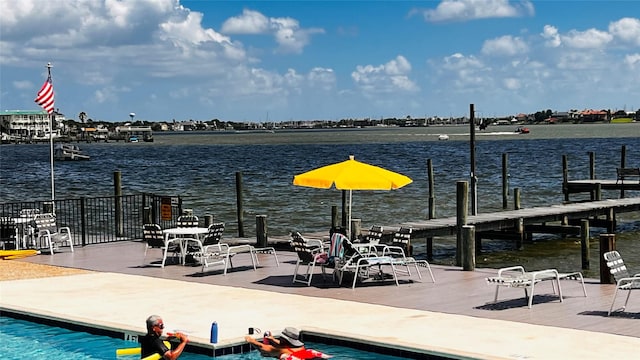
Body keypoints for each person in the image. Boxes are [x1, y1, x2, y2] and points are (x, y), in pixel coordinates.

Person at [244, 327, 331, 359]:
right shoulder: (300, 347)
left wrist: (251, 340)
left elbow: (261, 346)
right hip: (307, 357)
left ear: (284, 339)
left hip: (291, 358)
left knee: (284, 357)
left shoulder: (278, 350)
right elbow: (286, 345)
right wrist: (273, 339)